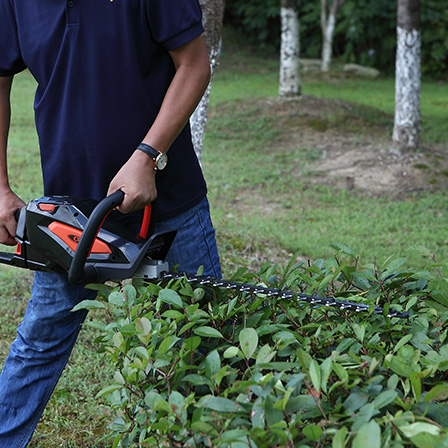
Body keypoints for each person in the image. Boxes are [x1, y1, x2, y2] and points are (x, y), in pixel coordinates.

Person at [0, 0, 221, 445]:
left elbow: (195, 64)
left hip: (170, 202)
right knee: (38, 348)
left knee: (203, 345)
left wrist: (148, 155)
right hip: (73, 216)